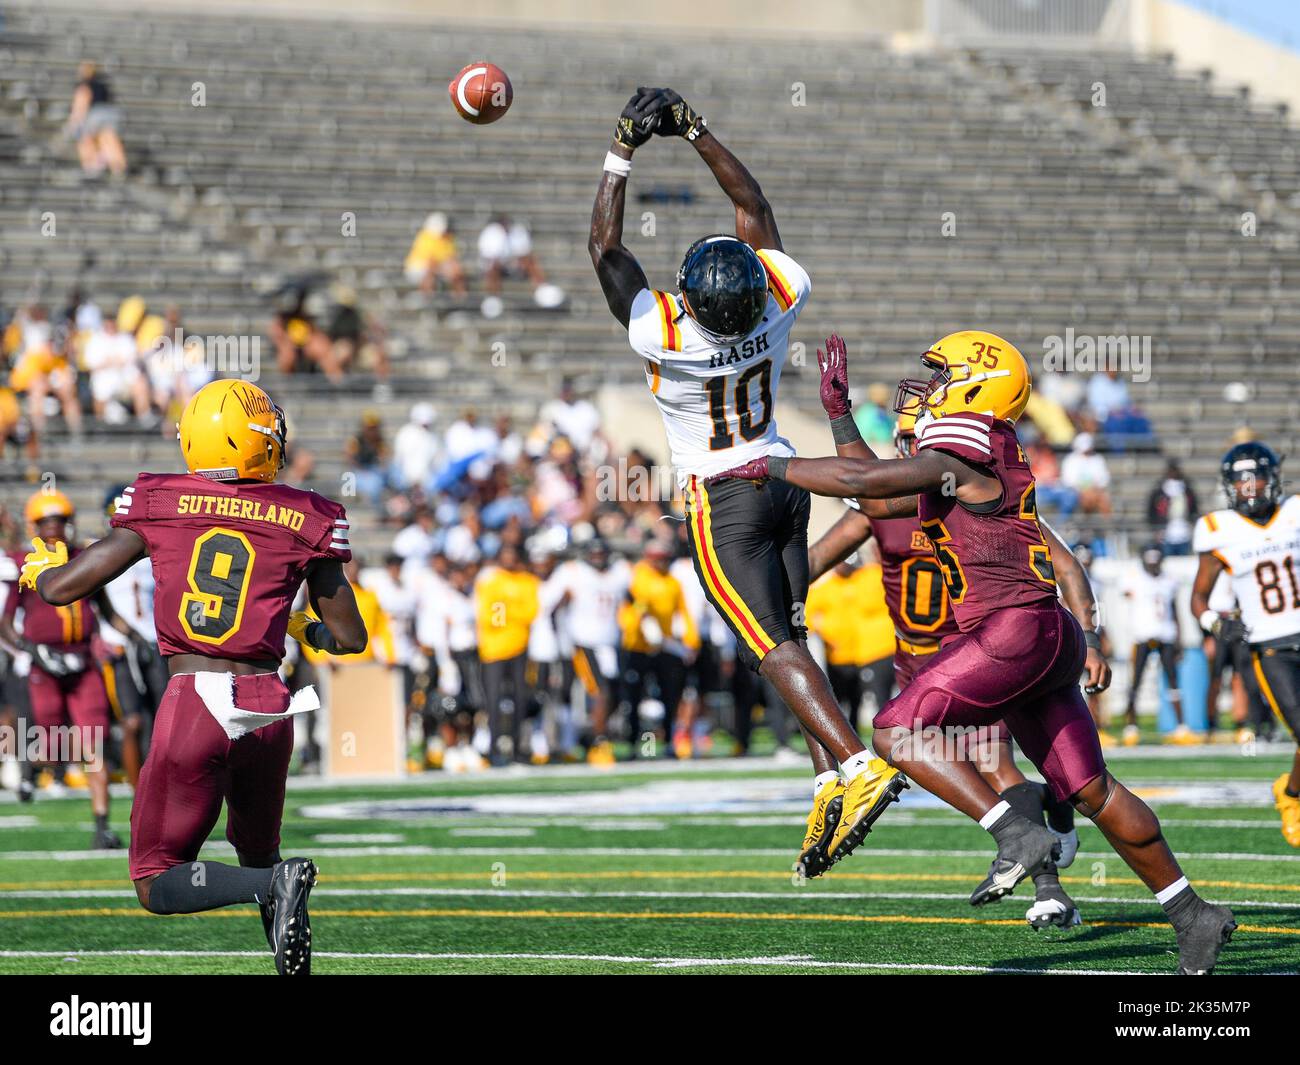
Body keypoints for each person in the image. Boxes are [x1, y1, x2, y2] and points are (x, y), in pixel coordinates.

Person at [714, 331, 1235, 973]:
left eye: (940, 377)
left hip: (1009, 632)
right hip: (1043, 636)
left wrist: (758, 464)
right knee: (1090, 789)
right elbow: (874, 497)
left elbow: (860, 477)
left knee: (894, 731)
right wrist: (839, 413)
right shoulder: (981, 454)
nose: (928, 390)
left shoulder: (969, 443)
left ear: (973, 383)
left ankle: (1017, 833)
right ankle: (1192, 914)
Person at [588, 87, 903, 868]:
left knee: (769, 647)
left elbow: (606, 250)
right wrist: (695, 128)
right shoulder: (777, 304)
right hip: (784, 478)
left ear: (687, 302)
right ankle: (828, 781)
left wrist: (622, 150)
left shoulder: (666, 333)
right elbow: (751, 201)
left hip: (722, 499)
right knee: (792, 638)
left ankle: (858, 764)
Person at [17, 378, 367, 975]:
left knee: (157, 879)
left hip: (197, 698)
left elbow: (62, 590)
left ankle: (272, 883)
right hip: (270, 702)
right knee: (261, 851)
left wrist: (46, 569)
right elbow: (351, 638)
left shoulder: (161, 500)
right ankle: (287, 936)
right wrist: (304, 628)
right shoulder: (304, 513)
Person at [806, 406, 1108, 928]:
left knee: (994, 766)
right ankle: (1052, 804)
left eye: (917, 442)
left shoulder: (969, 498)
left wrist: (1092, 636)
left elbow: (1064, 563)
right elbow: (812, 563)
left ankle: (1050, 889)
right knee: (950, 774)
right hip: (913, 660)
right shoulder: (875, 511)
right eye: (904, 443)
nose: (911, 453)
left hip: (973, 652)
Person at [1191, 442, 1300, 848]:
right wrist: (1215, 623)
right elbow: (1198, 598)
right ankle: (1291, 797)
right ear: (1228, 486)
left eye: (1256, 477)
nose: (1249, 487)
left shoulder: (1294, 512)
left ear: (1273, 478)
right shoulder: (1219, 530)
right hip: (1271, 648)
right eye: (1240, 480)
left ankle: (1290, 791)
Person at [0, 490, 123, 848]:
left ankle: (102, 826)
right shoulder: (26, 561)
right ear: (34, 526)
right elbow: (6, 622)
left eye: (59, 521)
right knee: (48, 739)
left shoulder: (84, 557)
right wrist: (28, 650)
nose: (54, 529)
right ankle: (30, 770)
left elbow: (104, 606)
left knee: (93, 744)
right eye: (46, 523)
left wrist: (129, 637)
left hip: (82, 662)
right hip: (44, 661)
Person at [101, 485, 168, 786]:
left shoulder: (152, 548)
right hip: (119, 647)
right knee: (132, 722)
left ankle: (161, 781)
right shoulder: (101, 551)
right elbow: (96, 602)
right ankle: (136, 787)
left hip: (155, 642)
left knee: (164, 718)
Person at [549, 538, 630, 765]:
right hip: (583, 642)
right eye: (593, 555)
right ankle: (598, 743)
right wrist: (561, 638)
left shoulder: (619, 573)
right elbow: (552, 605)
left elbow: (633, 599)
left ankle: (592, 737)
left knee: (615, 694)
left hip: (610, 644)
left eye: (601, 554)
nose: (598, 558)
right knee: (601, 692)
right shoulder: (574, 573)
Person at [474, 544, 539, 765]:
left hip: (520, 648)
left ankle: (518, 747)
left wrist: (507, 609)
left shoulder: (527, 581)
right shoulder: (491, 582)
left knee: (521, 699)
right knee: (492, 701)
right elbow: (490, 618)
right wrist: (513, 613)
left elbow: (531, 612)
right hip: (493, 650)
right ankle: (493, 749)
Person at [1121, 544, 1189, 746]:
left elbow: (1175, 610)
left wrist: (1179, 638)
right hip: (1142, 635)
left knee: (1173, 681)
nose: (1153, 566)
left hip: (1166, 635)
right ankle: (1131, 726)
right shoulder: (1134, 578)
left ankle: (1181, 726)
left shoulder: (1169, 580)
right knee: (1136, 682)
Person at [65, 62, 127, 177]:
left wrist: (73, 122)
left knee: (85, 138)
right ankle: (117, 166)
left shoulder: (84, 85)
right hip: (111, 114)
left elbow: (82, 102)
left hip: (94, 115)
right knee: (108, 139)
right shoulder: (102, 84)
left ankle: (91, 166)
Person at [404, 212, 468, 297]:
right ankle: (427, 299)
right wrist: (445, 270)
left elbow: (451, 259)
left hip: (437, 268)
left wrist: (453, 270)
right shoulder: (425, 238)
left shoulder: (448, 239)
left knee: (457, 272)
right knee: (429, 273)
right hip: (418, 269)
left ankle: (460, 299)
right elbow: (430, 263)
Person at [1147, 460, 1197, 555]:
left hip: (1184, 535)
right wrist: (1156, 529)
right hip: (1165, 536)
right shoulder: (1159, 492)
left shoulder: (1187, 491)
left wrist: (1191, 525)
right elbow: (1152, 513)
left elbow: (1193, 510)